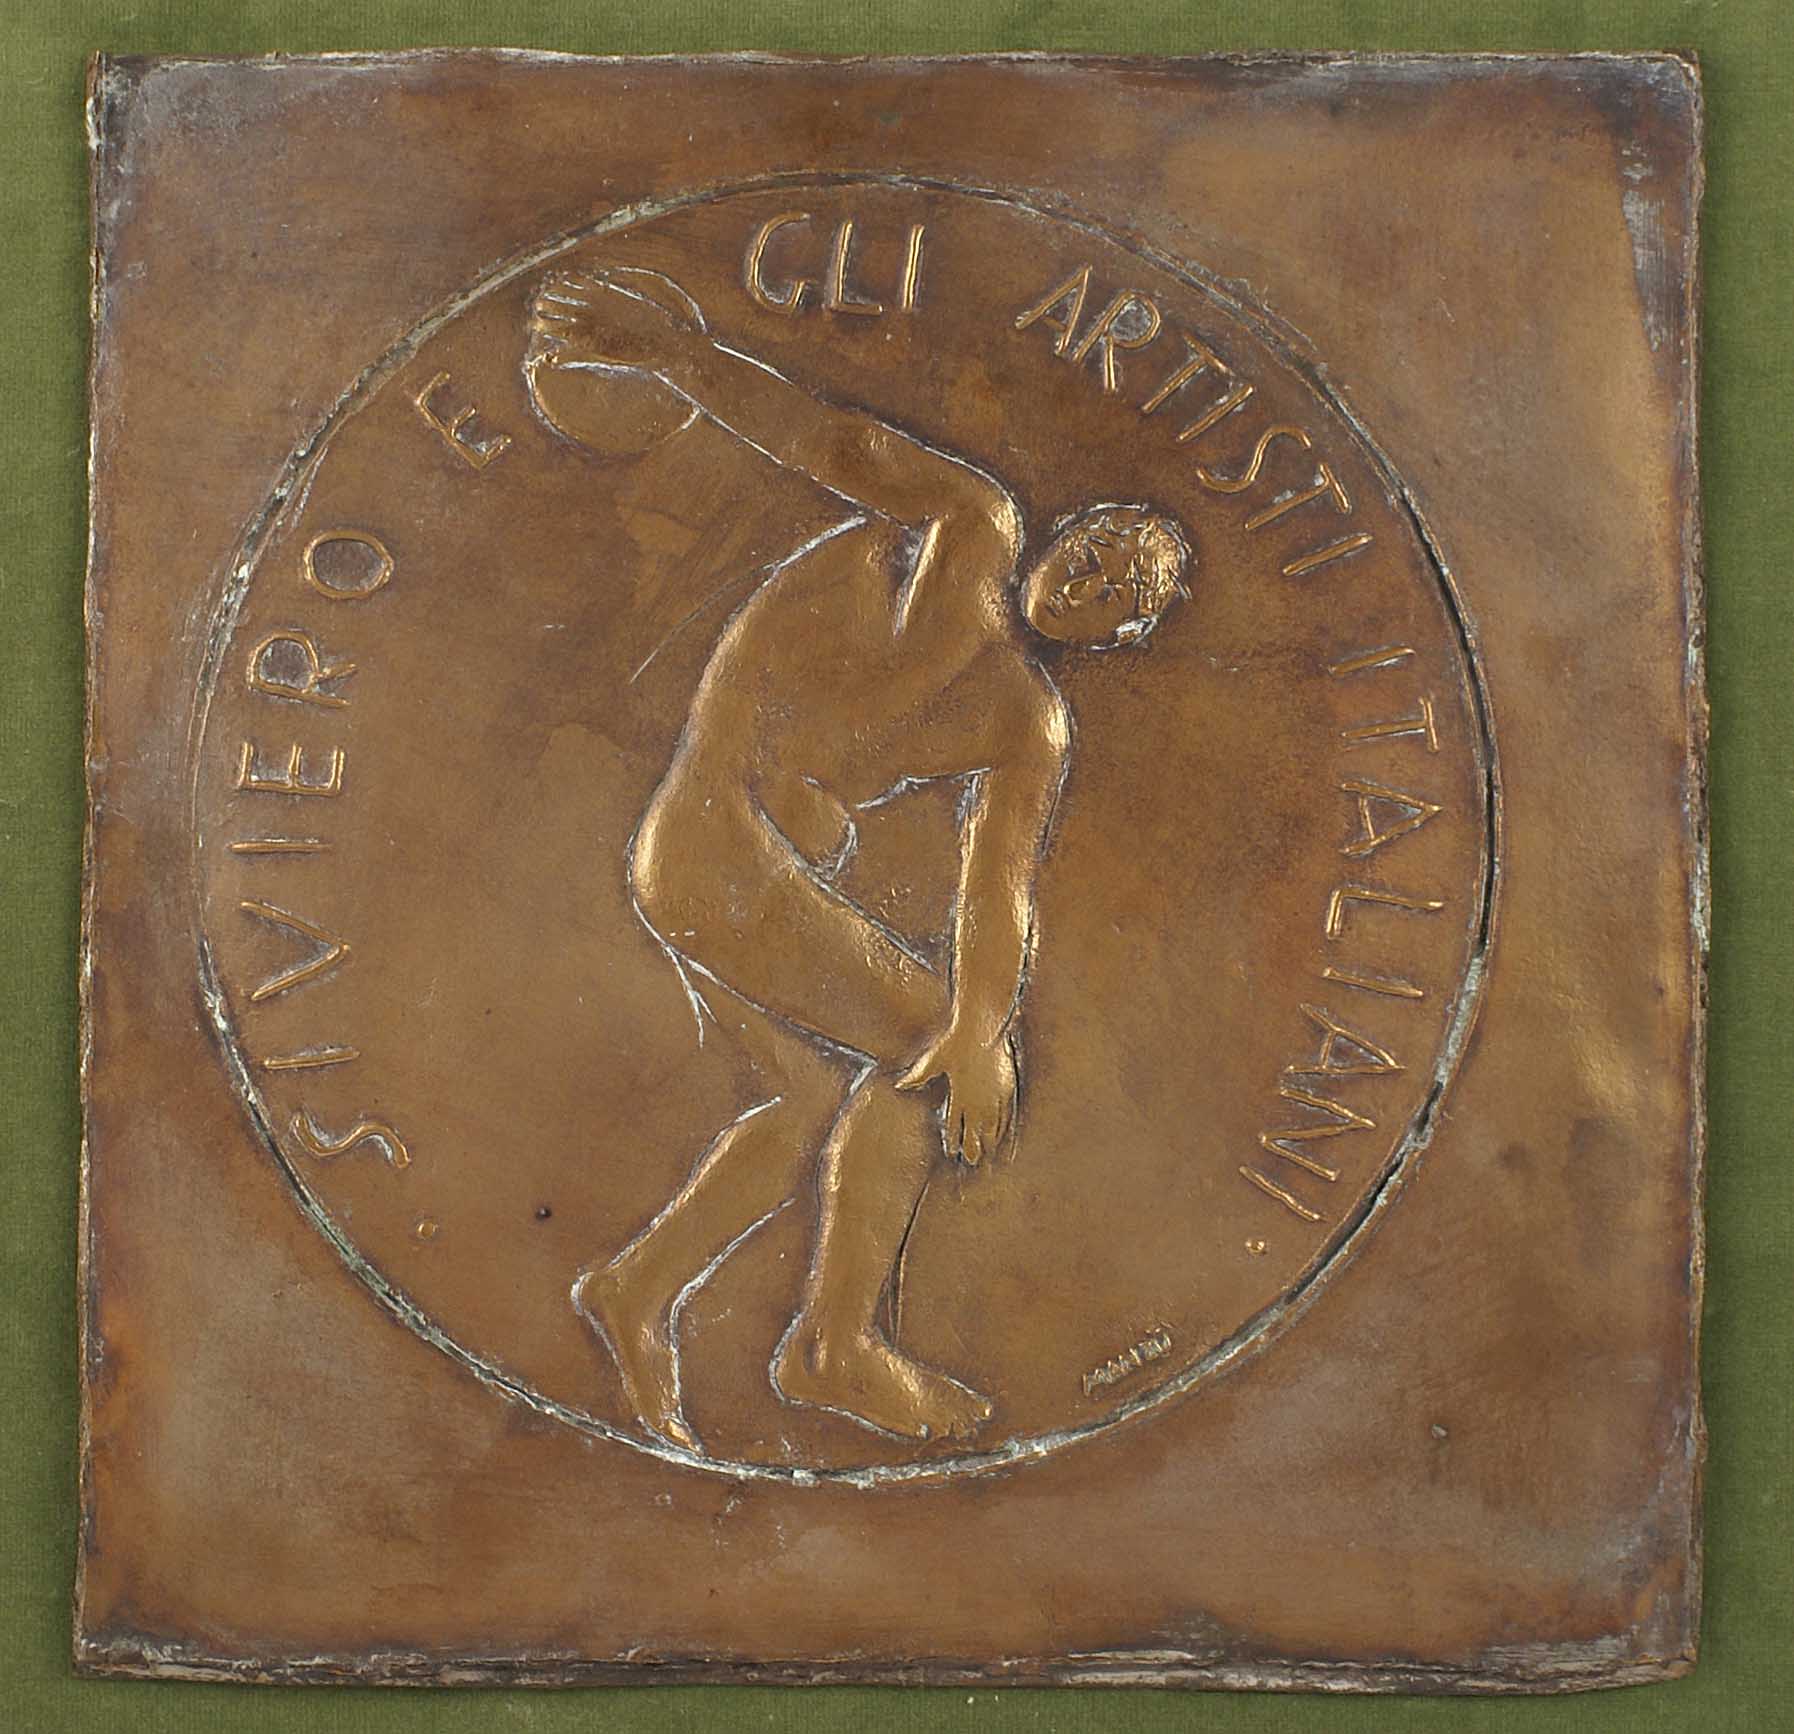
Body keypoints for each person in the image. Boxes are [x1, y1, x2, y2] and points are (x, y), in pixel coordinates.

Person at [526, 267, 1192, 1451]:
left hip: (741, 862)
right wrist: (677, 355)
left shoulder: (1028, 723)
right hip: (711, 836)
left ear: (1123, 634)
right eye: (1097, 551)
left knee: (809, 1096)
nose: (1092, 579)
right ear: (1068, 532)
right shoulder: (970, 529)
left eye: (1119, 593)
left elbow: (998, 890)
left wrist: (985, 1024)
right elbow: (830, 441)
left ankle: (634, 1292)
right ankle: (833, 1347)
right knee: (916, 1050)